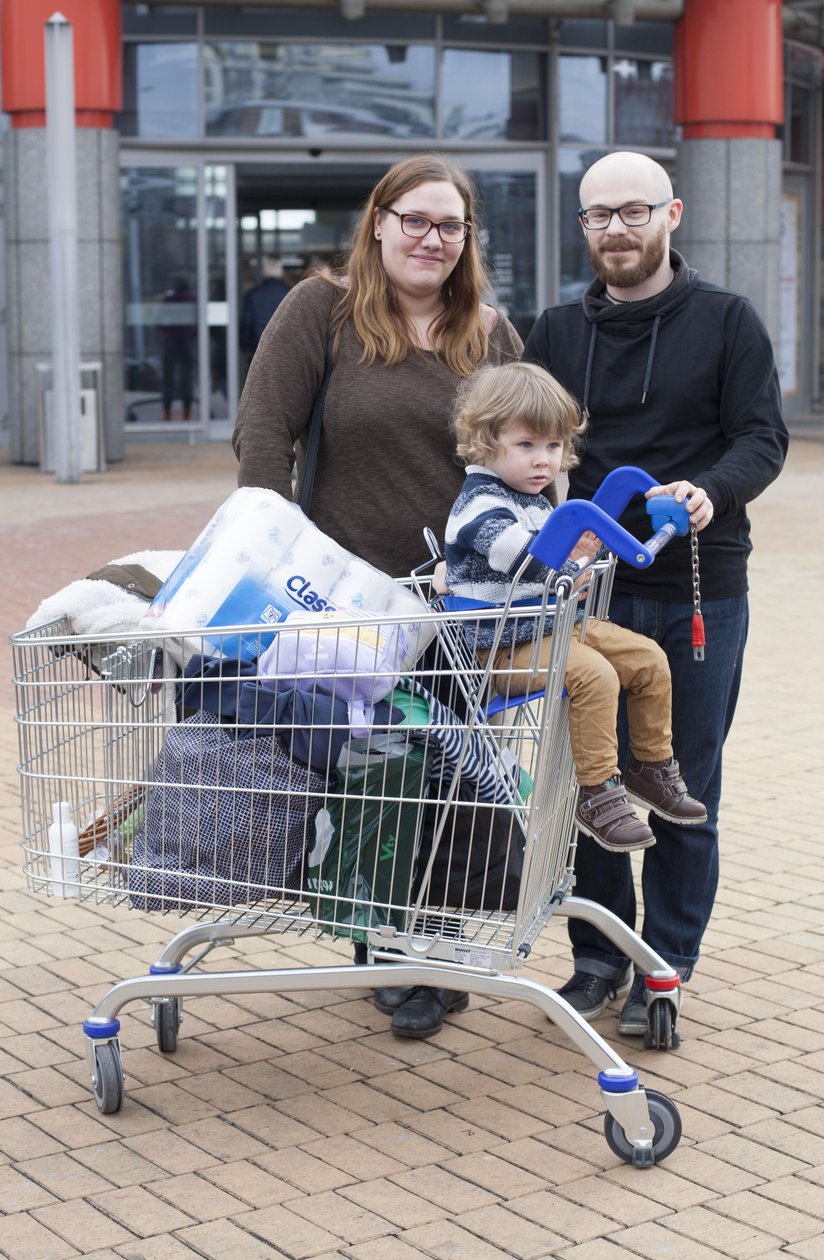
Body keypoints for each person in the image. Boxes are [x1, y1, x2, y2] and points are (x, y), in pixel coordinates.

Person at [232, 153, 523, 1037]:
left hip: (461, 609)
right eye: (416, 220)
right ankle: (382, 940)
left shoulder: (492, 337)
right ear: (380, 221)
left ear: (468, 239)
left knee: (452, 782)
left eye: (451, 226)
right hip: (347, 609)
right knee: (372, 778)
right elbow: (263, 437)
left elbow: (526, 456)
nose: (432, 239)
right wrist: (277, 560)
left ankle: (430, 950)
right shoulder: (321, 312)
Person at [523, 151, 788, 1035]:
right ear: (584, 226)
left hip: (696, 591)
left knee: (680, 783)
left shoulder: (727, 321)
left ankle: (664, 971)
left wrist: (714, 489)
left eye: (633, 211)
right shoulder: (557, 331)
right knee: (586, 783)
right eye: (598, 216)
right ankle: (599, 957)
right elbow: (528, 442)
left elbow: (762, 437)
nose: (616, 230)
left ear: (671, 214)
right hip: (588, 595)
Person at [445, 360, 707, 854]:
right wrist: (571, 562)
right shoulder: (479, 504)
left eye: (553, 445)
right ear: (484, 440)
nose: (543, 460)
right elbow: (524, 557)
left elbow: (562, 553)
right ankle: (598, 793)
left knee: (648, 658)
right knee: (593, 675)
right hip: (497, 648)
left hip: (548, 628)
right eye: (526, 445)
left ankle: (651, 767)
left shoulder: (538, 500)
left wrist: (586, 550)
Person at [239, 256, 291, 359]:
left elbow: (247, 323)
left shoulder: (253, 295)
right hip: (285, 353)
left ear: (264, 274)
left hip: (258, 352)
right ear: (281, 274)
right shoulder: (291, 293)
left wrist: (246, 348)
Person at [160, 277, 196, 421]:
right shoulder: (192, 300)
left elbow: (159, 321)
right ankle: (187, 412)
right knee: (186, 380)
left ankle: (167, 412)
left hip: (170, 344)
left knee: (168, 380)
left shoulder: (168, 301)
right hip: (187, 344)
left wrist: (169, 331)